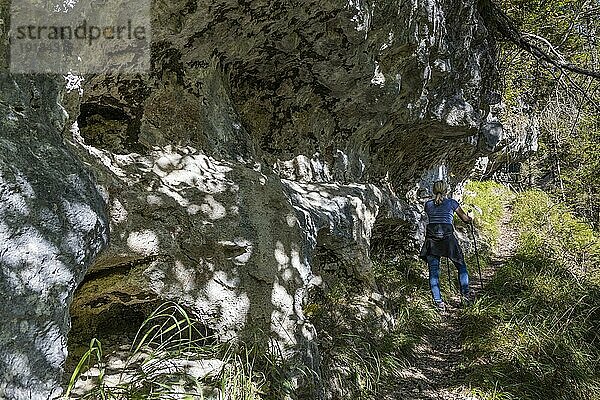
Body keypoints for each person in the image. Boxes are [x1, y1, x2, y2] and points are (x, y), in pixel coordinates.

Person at [419, 180, 473, 311]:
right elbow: (465, 220)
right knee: (461, 266)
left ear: (433, 190)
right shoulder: (452, 203)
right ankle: (465, 297)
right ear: (446, 190)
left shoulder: (428, 205)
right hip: (448, 240)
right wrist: (471, 216)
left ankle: (439, 303)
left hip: (432, 241)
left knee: (433, 272)